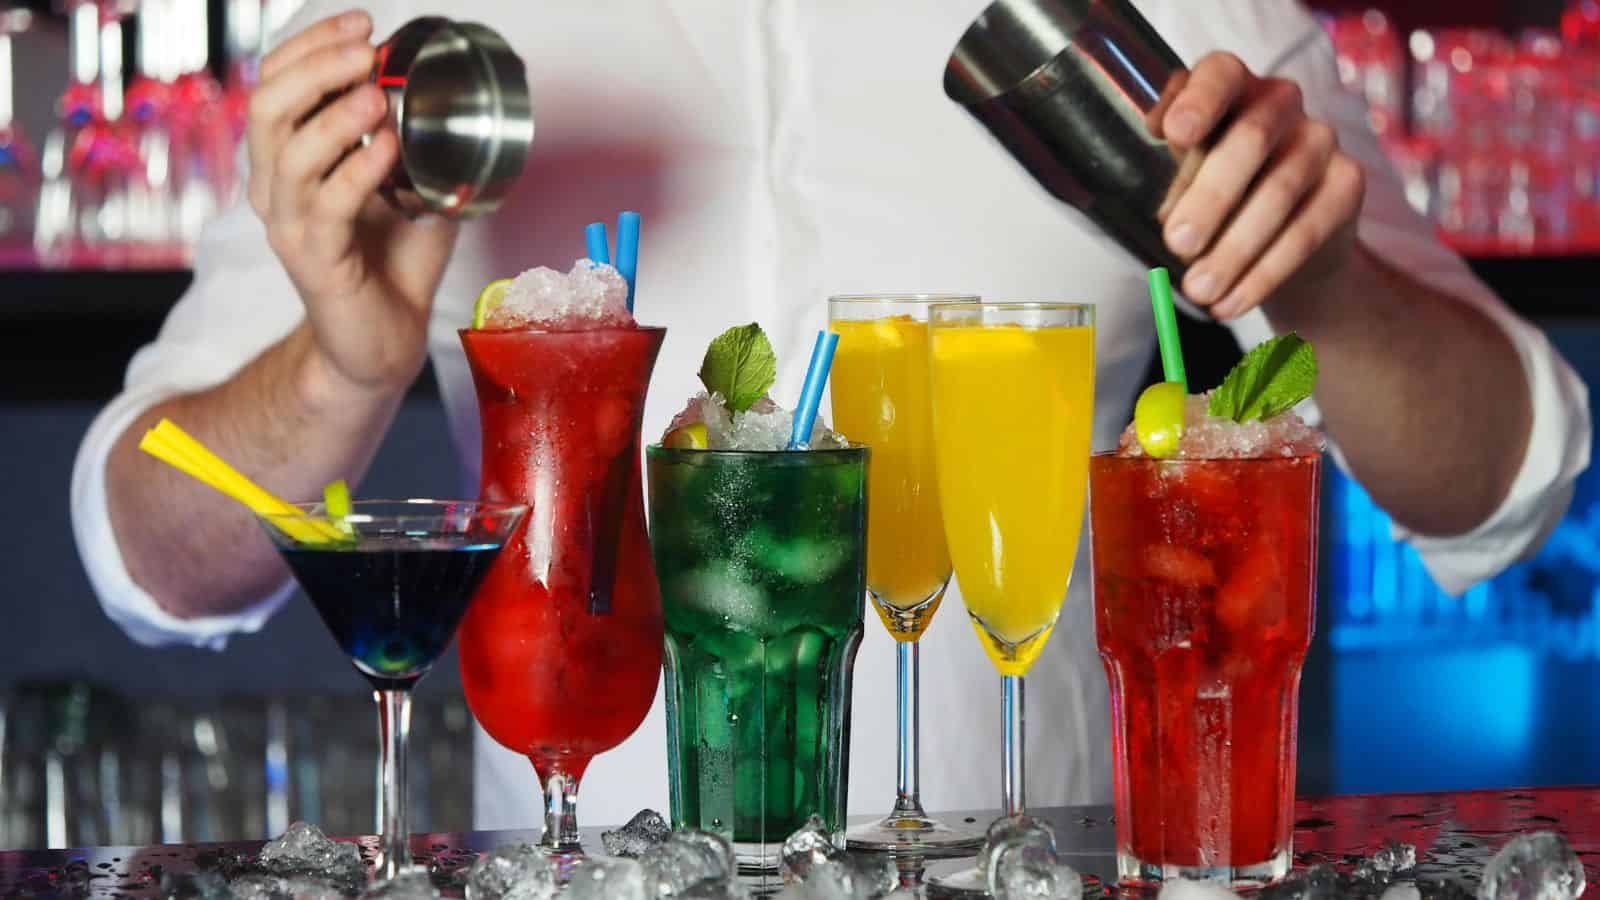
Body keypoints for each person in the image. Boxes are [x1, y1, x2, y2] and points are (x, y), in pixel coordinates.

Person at [71, 0, 1589, 830]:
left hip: (1030, 865)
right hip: (571, 869)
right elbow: (148, 550)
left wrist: (1323, 287)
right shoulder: (412, 40)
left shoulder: (1176, 15)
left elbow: (1506, 477)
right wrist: (341, 366)